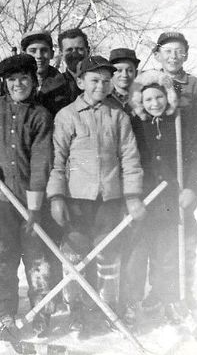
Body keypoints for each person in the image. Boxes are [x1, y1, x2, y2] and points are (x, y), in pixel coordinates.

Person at [46, 56, 145, 332]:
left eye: (105, 80)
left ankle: (106, 308)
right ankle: (77, 309)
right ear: (80, 82)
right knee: (76, 253)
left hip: (109, 199)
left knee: (108, 252)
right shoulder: (66, 116)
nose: (100, 85)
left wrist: (133, 196)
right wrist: (56, 197)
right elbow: (57, 161)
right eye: (94, 80)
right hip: (77, 199)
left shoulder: (118, 116)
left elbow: (130, 158)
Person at [0, 54, 54, 335]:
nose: (18, 84)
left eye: (24, 79)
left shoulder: (40, 115)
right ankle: (4, 311)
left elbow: (41, 161)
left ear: (33, 81)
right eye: (12, 80)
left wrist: (34, 206)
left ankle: (41, 312)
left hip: (29, 199)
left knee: (37, 256)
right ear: (4, 83)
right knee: (1, 255)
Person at [129, 70, 197, 323]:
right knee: (154, 248)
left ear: (168, 96)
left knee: (177, 248)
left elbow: (196, 157)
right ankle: (158, 292)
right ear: (141, 102)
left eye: (159, 98)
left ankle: (176, 295)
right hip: (150, 198)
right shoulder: (137, 126)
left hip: (176, 195)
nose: (155, 104)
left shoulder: (180, 122)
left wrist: (192, 188)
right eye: (148, 100)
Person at [141, 32, 197, 312]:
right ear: (157, 54)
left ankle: (183, 290)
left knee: (184, 234)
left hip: (183, 172)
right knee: (158, 234)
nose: (173, 56)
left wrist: (192, 185)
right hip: (157, 174)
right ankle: (159, 290)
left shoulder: (195, 85)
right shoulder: (148, 82)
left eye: (178, 51)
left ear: (186, 54)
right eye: (167, 51)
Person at [108, 47, 147, 324]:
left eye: (129, 70)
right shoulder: (103, 101)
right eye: (118, 70)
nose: (123, 75)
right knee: (110, 243)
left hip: (137, 180)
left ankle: (131, 301)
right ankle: (107, 303)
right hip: (109, 182)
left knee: (136, 242)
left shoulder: (141, 100)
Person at [21, 29, 68, 117]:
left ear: (52, 54)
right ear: (24, 55)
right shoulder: (13, 84)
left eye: (44, 50)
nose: (38, 56)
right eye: (33, 51)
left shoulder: (64, 85)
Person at [57, 28, 91, 104]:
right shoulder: (55, 86)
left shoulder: (99, 81)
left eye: (80, 49)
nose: (75, 54)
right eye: (69, 50)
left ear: (88, 51)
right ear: (61, 54)